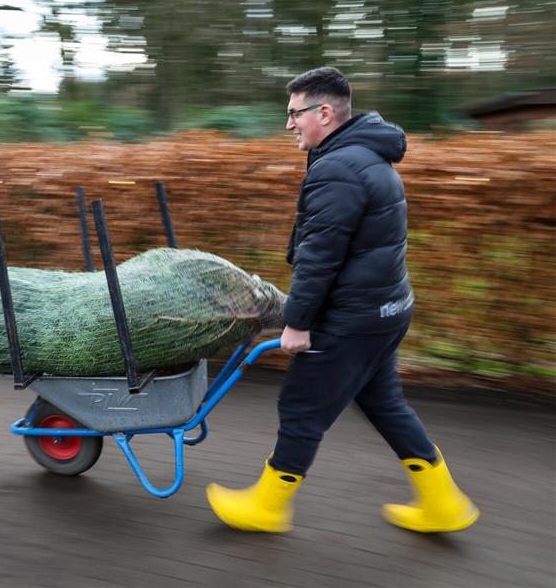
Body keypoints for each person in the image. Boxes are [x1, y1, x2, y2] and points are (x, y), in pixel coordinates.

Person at [205, 67, 478, 534]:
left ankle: (267, 506)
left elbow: (320, 257)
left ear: (324, 112)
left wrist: (297, 322)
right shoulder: (367, 157)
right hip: (387, 308)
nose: (289, 124)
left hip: (352, 316)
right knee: (385, 404)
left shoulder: (339, 168)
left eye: (294, 114)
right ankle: (443, 502)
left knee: (302, 407)